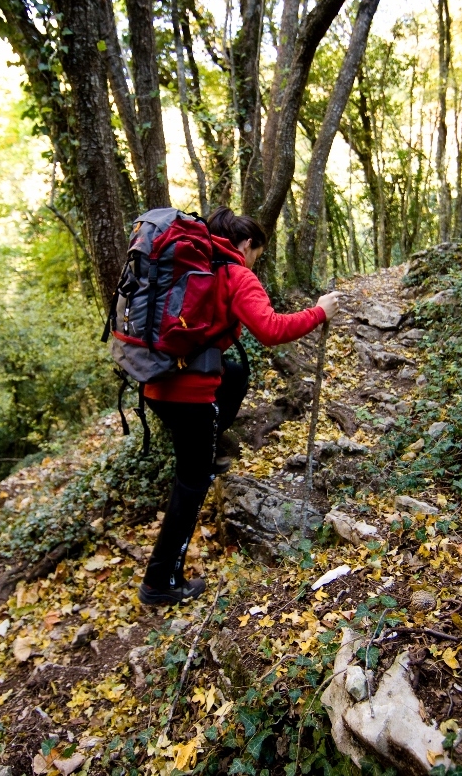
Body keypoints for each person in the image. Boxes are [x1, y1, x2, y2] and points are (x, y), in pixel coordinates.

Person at [137, 208, 341, 606]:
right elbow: (271, 330)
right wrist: (319, 312)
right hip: (189, 394)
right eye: (256, 255)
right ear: (246, 244)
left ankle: (209, 450)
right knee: (192, 482)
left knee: (233, 373)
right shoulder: (235, 273)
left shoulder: (189, 265)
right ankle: (160, 582)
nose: (253, 263)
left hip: (155, 382)